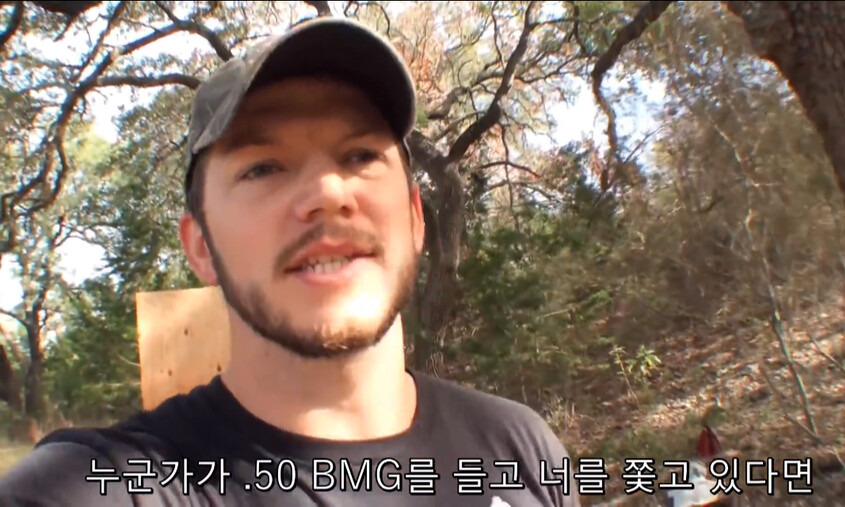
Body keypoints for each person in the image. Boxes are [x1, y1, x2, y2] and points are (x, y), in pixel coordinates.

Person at [0, 17, 578, 507]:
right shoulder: (102, 486)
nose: (328, 192)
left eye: (360, 155)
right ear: (201, 245)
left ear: (414, 217)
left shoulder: (521, 450)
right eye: (263, 168)